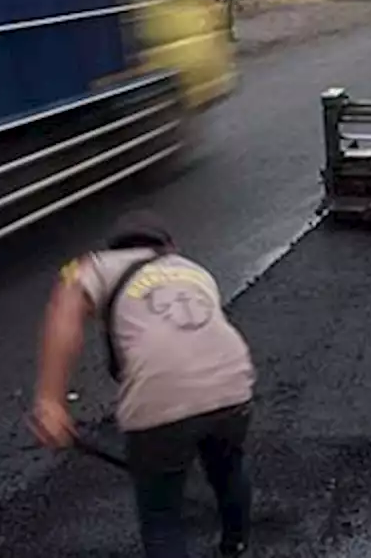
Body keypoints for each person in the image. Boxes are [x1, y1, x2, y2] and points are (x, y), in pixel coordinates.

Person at [31, 212, 256, 558]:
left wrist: (50, 400)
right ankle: (235, 545)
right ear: (167, 246)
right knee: (228, 466)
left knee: (162, 514)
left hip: (161, 396)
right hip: (233, 380)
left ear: (115, 248)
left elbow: (65, 311)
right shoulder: (192, 268)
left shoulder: (92, 265)